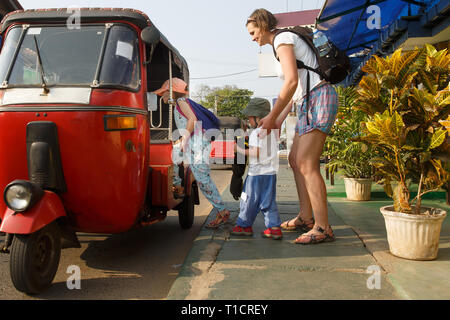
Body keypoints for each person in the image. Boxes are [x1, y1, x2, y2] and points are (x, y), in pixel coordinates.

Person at [245, 9, 338, 244]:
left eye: (254, 32)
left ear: (264, 25)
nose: (252, 38)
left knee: (307, 163)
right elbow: (295, 92)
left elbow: (292, 81)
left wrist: (273, 116)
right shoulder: (280, 43)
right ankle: (306, 217)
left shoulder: (282, 39)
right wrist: (277, 120)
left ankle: (322, 227)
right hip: (306, 101)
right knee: (294, 160)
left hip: (318, 98)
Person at [153, 78, 230, 228]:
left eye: (163, 93)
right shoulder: (179, 104)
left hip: (198, 144)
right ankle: (177, 185)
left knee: (203, 179)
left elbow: (193, 120)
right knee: (176, 155)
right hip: (194, 144)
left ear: (171, 92)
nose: (162, 97)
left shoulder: (181, 101)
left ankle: (222, 211)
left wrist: (183, 138)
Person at [231, 98, 282, 240]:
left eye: (249, 117)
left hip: (255, 175)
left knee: (247, 199)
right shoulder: (274, 131)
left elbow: (255, 153)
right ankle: (274, 228)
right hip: (270, 174)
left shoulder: (256, 133)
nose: (248, 121)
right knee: (269, 201)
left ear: (257, 117)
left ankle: (243, 225)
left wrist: (239, 149)